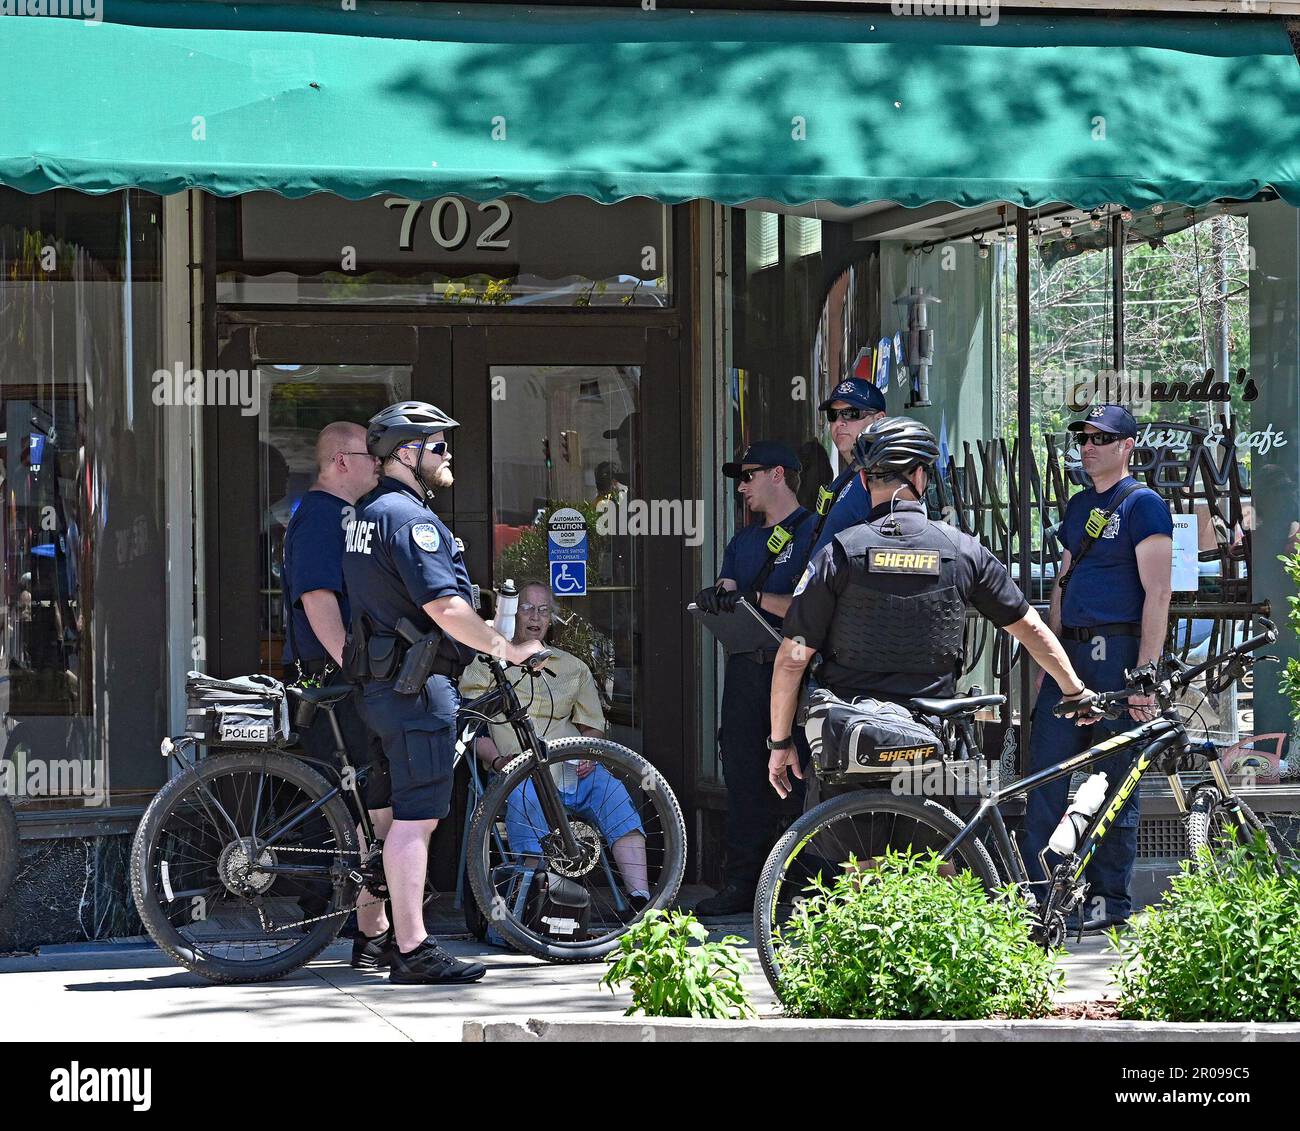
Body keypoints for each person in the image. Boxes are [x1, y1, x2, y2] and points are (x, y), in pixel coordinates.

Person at [767, 417, 1098, 816]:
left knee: (859, 869)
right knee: (936, 862)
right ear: (920, 476)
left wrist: (780, 743)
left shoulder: (838, 554)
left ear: (867, 481)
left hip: (850, 742)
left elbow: (791, 659)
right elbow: (1028, 628)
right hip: (927, 743)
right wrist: (1074, 690)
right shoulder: (961, 551)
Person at [342, 401, 543, 985]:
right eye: (438, 445)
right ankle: (413, 950)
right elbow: (445, 606)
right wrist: (502, 648)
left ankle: (372, 935)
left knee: (385, 820)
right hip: (415, 687)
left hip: (375, 687)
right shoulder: (411, 521)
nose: (447, 454)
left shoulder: (364, 513)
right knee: (416, 820)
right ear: (407, 451)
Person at [1024, 404, 1173, 933]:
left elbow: (1158, 593)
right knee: (1045, 779)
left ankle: (1110, 902)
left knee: (1114, 785)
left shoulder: (1144, 505)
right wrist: (1052, 654)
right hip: (1072, 660)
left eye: (1101, 438)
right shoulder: (1080, 504)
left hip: (1118, 657)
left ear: (1127, 445)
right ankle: (1038, 900)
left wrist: (1145, 676)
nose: (1088, 446)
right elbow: (1064, 580)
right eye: (1083, 437)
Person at [459, 581, 650, 910]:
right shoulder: (486, 664)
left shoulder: (572, 667)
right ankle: (532, 904)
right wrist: (496, 761)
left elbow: (593, 726)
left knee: (614, 793)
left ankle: (641, 902)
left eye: (543, 610)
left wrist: (590, 751)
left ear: (551, 620)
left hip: (573, 771)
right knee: (525, 797)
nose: (535, 616)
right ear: (511, 615)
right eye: (526, 608)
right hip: (518, 775)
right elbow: (470, 727)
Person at [281, 421, 395, 968]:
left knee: (372, 803)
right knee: (371, 805)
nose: (378, 464)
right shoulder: (323, 516)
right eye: (369, 456)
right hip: (338, 684)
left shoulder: (340, 516)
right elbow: (318, 599)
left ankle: (375, 929)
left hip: (345, 681)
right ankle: (372, 932)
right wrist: (356, 667)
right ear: (341, 462)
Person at [692, 441, 818, 916]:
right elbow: (730, 591)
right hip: (746, 669)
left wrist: (756, 596)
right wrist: (718, 601)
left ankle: (804, 882)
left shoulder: (813, 533)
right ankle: (742, 882)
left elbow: (811, 612)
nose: (741, 486)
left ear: (779, 475)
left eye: (749, 475)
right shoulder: (742, 541)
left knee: (803, 776)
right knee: (744, 775)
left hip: (799, 673)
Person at [807, 377, 887, 559]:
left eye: (851, 413)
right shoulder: (849, 474)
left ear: (879, 419)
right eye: (833, 415)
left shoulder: (884, 473)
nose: (839, 423)